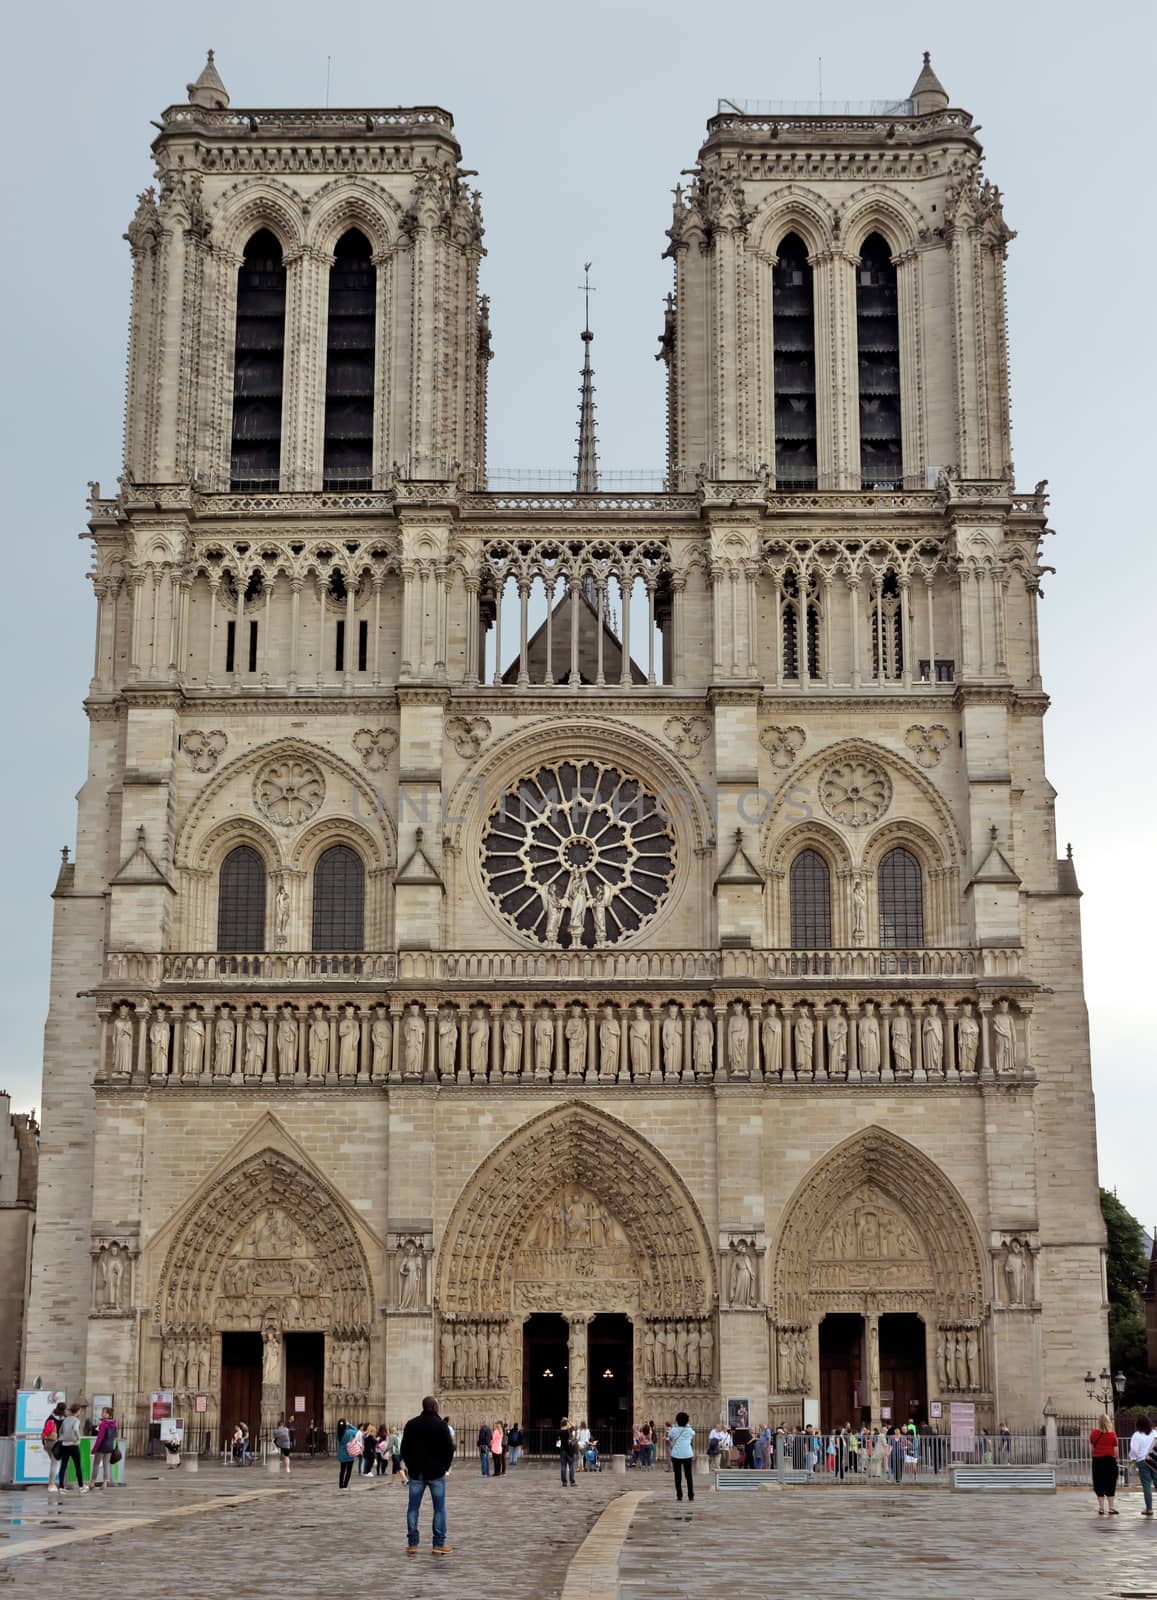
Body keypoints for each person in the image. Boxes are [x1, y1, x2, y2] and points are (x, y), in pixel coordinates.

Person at [400, 1395, 455, 1556]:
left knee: (413, 1509)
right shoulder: (441, 1425)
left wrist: (411, 1466)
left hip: (417, 1473)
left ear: (423, 1407)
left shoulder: (411, 1424)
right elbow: (449, 1449)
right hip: (436, 1473)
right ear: (435, 1407)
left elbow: (404, 1449)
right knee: (439, 1509)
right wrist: (444, 1467)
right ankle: (438, 1544)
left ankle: (412, 1544)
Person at [1128, 1414, 1157, 1517]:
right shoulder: (1154, 1433)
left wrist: (1133, 1459)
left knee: (1146, 1485)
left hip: (1142, 1461)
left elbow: (1134, 1450)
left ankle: (1149, 1509)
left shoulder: (1137, 1435)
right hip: (1154, 1460)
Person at [1090, 1413, 1119, 1515]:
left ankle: (1101, 1508)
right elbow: (1115, 1451)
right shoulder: (1112, 1435)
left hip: (1097, 1461)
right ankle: (1111, 1507)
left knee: (1099, 1483)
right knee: (1111, 1483)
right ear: (1108, 1422)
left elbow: (1093, 1448)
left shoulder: (1094, 1433)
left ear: (1099, 1422)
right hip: (1110, 1461)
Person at [56, 1404, 88, 1493]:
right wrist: (78, 1438)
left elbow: (60, 1431)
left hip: (64, 1444)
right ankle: (81, 1487)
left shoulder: (65, 1419)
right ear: (77, 1411)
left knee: (63, 1466)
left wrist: (62, 1437)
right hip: (73, 1445)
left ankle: (61, 1487)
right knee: (77, 1466)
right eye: (80, 1411)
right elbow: (75, 1429)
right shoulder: (76, 1420)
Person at [667, 1412, 695, 1503]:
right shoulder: (689, 1430)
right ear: (687, 1421)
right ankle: (691, 1495)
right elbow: (693, 1433)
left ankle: (679, 1495)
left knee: (677, 1476)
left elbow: (670, 1435)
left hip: (676, 1454)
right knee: (688, 1476)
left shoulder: (674, 1430)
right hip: (687, 1454)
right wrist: (687, 1424)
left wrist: (675, 1425)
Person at [91, 1406, 119, 1488]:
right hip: (109, 1447)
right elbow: (114, 1435)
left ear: (108, 1414)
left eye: (103, 1412)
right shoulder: (114, 1423)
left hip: (101, 1447)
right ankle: (105, 1483)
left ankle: (92, 1482)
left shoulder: (103, 1424)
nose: (102, 1414)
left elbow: (100, 1438)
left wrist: (94, 1449)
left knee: (96, 1464)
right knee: (106, 1464)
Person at [336, 1417, 358, 1489]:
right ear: (345, 1425)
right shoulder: (349, 1432)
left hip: (342, 1453)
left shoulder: (338, 1433)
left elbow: (338, 1441)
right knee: (348, 1470)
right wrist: (350, 1425)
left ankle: (340, 1485)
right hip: (349, 1452)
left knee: (342, 1470)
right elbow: (357, 1431)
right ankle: (345, 1485)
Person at [559, 1417, 578, 1487]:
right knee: (571, 1466)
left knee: (563, 1466)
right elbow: (575, 1427)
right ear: (566, 1424)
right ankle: (572, 1482)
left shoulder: (560, 1431)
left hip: (562, 1450)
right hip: (569, 1450)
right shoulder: (568, 1431)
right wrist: (569, 1421)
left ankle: (564, 1482)